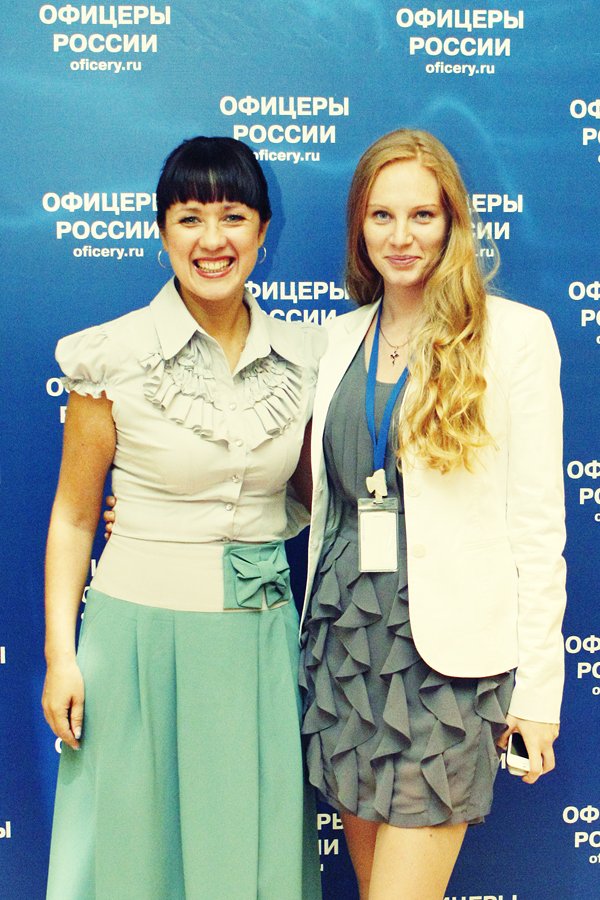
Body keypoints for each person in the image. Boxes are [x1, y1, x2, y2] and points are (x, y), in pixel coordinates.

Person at [42, 136, 324, 900]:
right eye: (190, 217)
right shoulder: (112, 354)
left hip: (258, 645)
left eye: (233, 216)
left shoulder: (309, 357)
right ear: (162, 231)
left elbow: (316, 496)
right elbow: (74, 516)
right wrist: (62, 657)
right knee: (134, 859)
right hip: (136, 641)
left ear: (263, 232)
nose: (212, 239)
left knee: (248, 856)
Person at [299, 129, 566, 900]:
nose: (401, 236)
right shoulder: (336, 339)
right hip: (346, 649)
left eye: (422, 214)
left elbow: (537, 526)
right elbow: (314, 488)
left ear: (453, 221)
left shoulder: (515, 336)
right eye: (381, 216)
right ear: (359, 226)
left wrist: (537, 695)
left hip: (451, 664)